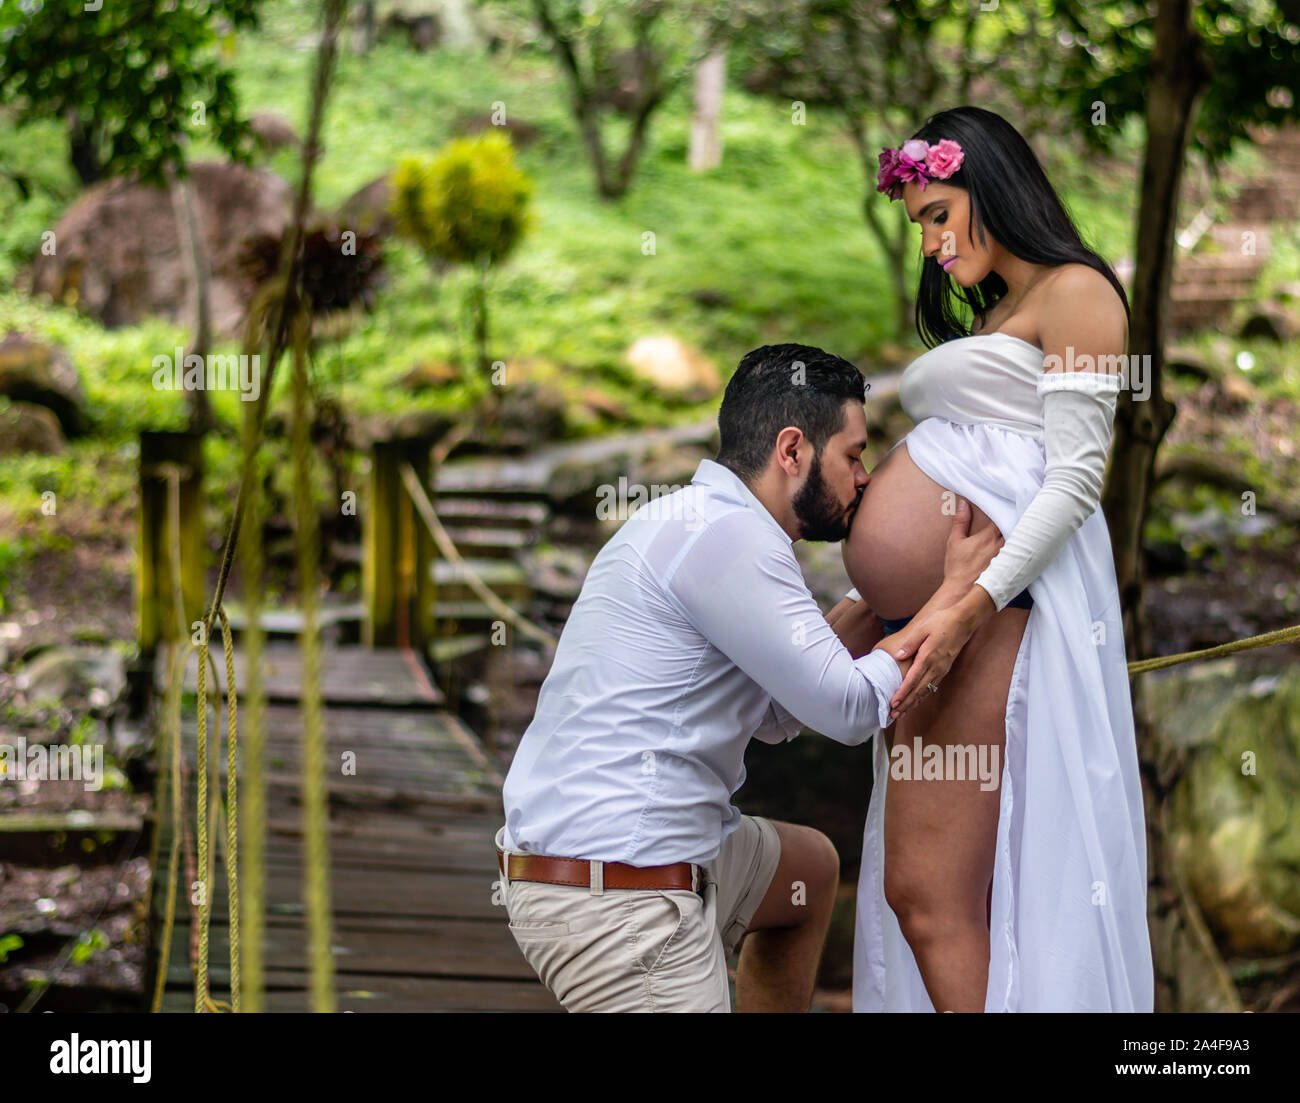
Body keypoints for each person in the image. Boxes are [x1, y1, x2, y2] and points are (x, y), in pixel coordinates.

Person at [495, 343, 1002, 1012]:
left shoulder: (700, 521)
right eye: (853, 455)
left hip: (609, 860)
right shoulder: (730, 537)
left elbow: (773, 711)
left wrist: (885, 591)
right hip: (618, 895)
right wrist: (962, 592)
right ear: (792, 451)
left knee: (810, 871)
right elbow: (851, 710)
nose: (864, 479)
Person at [840, 106, 1154, 1012]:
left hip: (990, 618)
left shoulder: (1076, 291)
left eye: (941, 214)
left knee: (932, 899)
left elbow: (1075, 481)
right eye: (921, 226)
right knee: (926, 898)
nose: (933, 243)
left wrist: (963, 603)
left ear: (994, 185)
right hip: (941, 613)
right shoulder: (1003, 307)